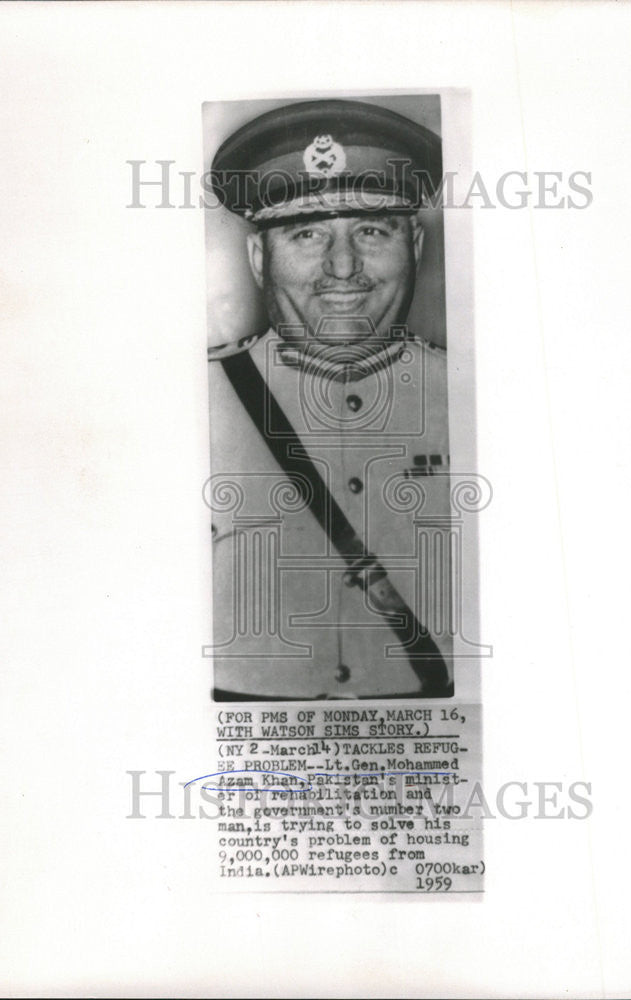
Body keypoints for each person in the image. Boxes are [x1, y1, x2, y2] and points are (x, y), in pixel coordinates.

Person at [206, 98, 453, 700]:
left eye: (371, 230)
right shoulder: (191, 402)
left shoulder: (479, 398)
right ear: (260, 257)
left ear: (414, 247)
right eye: (307, 233)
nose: (343, 267)